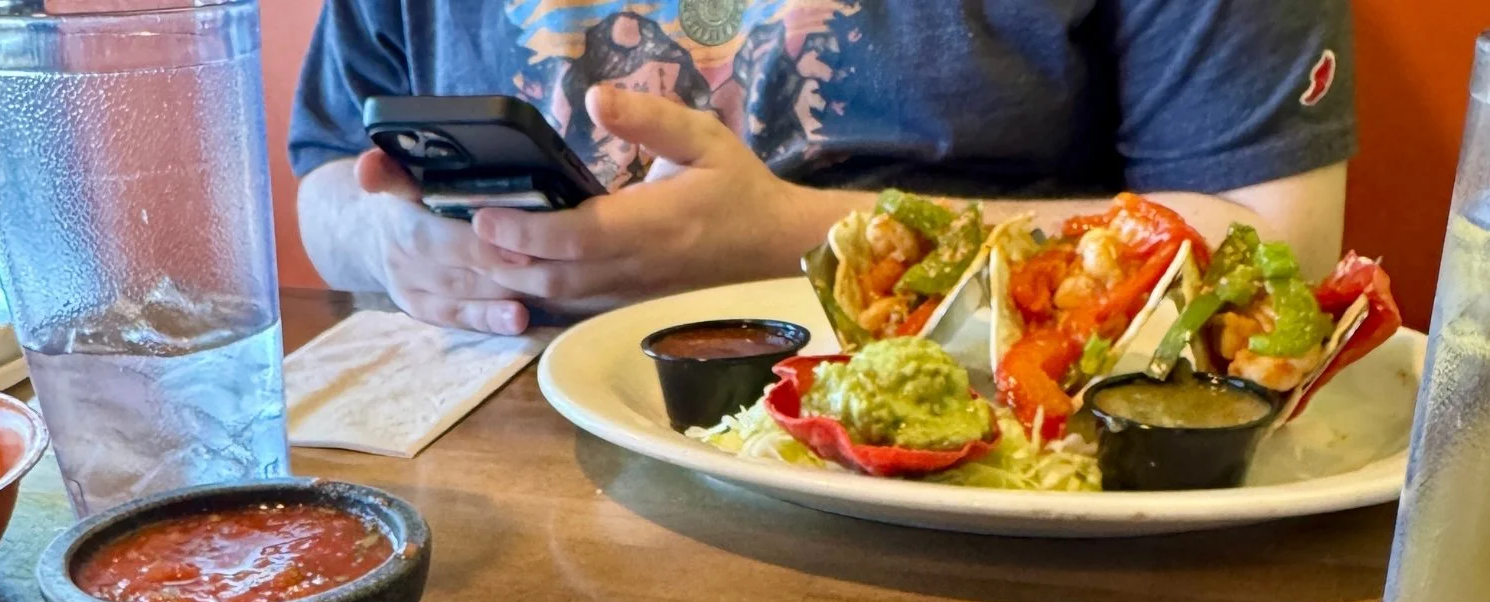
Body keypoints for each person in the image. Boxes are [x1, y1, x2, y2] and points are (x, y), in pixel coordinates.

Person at [291, 1, 1354, 335]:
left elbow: (1280, 240)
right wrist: (387, 245)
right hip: (495, 498)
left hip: (980, 507)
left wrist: (796, 237)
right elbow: (325, 184)